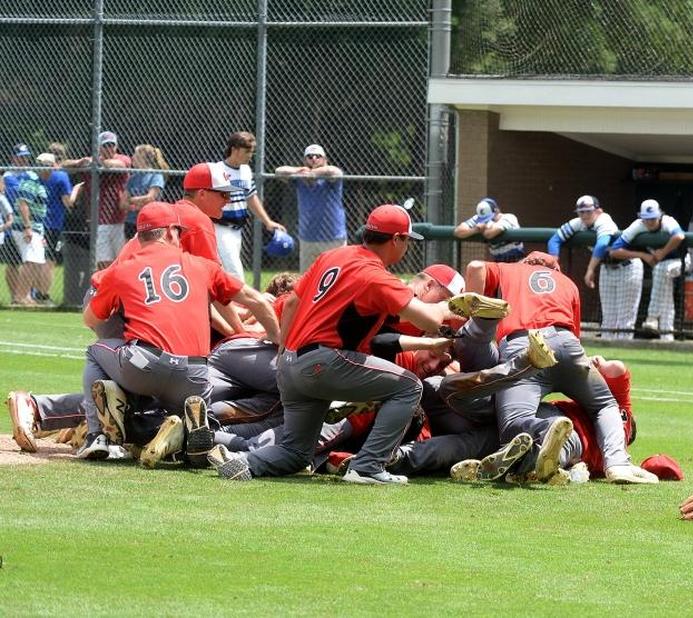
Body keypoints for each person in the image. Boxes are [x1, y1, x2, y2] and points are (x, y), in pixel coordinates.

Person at [213, 204, 467, 485]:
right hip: (325, 361)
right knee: (409, 386)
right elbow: (431, 319)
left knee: (296, 453)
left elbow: (293, 302)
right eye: (407, 240)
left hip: (291, 363)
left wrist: (285, 347)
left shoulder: (333, 255)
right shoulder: (376, 275)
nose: (407, 247)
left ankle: (241, 461)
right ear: (396, 239)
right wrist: (452, 306)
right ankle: (368, 467)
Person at [78, 202, 279, 464]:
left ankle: (98, 436)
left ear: (139, 235)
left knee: (95, 352)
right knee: (187, 422)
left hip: (144, 365)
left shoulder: (122, 268)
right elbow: (259, 302)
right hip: (194, 375)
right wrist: (278, 340)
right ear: (171, 232)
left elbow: (91, 318)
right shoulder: (200, 265)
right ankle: (193, 441)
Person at [464, 251, 658, 484]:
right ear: (556, 269)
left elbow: (475, 267)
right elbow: (575, 338)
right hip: (566, 343)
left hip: (523, 346)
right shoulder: (568, 283)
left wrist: (466, 320)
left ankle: (544, 430)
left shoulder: (509, 269)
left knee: (512, 425)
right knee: (605, 405)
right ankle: (617, 464)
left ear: (524, 263)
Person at [547, 195, 635, 340]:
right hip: (607, 267)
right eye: (581, 212)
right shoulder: (578, 223)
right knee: (608, 316)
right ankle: (610, 350)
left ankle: (627, 349)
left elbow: (602, 244)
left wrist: (590, 270)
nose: (585, 215)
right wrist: (553, 261)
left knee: (625, 316)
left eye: (588, 211)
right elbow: (554, 239)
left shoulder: (604, 220)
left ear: (598, 211)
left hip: (628, 267)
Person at [609, 199, 687, 341]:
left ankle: (652, 317)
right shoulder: (638, 225)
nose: (650, 222)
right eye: (647, 219)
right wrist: (643, 255)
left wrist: (662, 253)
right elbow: (614, 251)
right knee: (666, 296)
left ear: (659, 215)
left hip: (681, 261)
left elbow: (679, 236)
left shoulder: (668, 221)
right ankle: (667, 337)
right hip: (661, 267)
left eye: (653, 218)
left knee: (660, 270)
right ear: (641, 218)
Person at [214, 131, 286, 279]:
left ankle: (217, 301)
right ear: (234, 149)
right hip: (219, 228)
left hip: (236, 231)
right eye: (247, 151)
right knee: (235, 273)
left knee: (223, 272)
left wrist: (268, 222)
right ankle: (242, 302)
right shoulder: (216, 170)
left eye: (252, 151)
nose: (250, 155)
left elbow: (251, 197)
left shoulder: (246, 171)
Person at [61, 131, 131, 268]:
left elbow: (118, 165)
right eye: (105, 146)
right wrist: (79, 162)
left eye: (112, 145)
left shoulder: (123, 159)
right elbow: (63, 166)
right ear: (99, 147)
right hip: (100, 222)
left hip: (121, 220)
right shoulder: (91, 163)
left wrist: (98, 162)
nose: (109, 149)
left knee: (123, 262)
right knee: (103, 263)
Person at [274, 144, 345, 269]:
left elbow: (335, 171)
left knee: (335, 278)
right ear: (304, 160)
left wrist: (313, 173)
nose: (314, 158)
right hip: (307, 238)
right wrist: (300, 171)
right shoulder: (300, 178)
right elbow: (278, 171)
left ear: (325, 160)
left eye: (318, 156)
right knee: (307, 278)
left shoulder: (331, 178)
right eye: (310, 156)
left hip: (333, 238)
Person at [35, 152, 75, 303]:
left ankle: (33, 293)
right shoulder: (61, 176)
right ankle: (43, 295)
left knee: (36, 259)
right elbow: (68, 202)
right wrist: (76, 190)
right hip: (53, 224)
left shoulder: (34, 176)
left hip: (37, 222)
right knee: (49, 260)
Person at [8, 162, 49, 306]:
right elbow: (23, 204)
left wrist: (41, 233)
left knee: (36, 262)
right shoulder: (31, 182)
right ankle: (20, 297)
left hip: (36, 229)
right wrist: (27, 227)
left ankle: (26, 297)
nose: (51, 172)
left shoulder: (40, 183)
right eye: (49, 168)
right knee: (31, 261)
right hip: (25, 228)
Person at [453, 197, 524, 263]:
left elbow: (489, 234)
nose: (486, 221)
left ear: (496, 211)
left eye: (489, 218)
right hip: (498, 262)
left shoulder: (509, 217)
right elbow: (458, 231)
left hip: (515, 260)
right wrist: (475, 229)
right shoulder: (480, 218)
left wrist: (482, 227)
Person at [124, 144, 169, 238]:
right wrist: (138, 204)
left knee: (146, 249)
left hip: (148, 222)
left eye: (135, 155)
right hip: (131, 222)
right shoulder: (132, 178)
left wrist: (131, 201)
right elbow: (123, 203)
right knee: (131, 251)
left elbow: (150, 197)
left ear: (143, 158)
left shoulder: (156, 175)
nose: (132, 157)